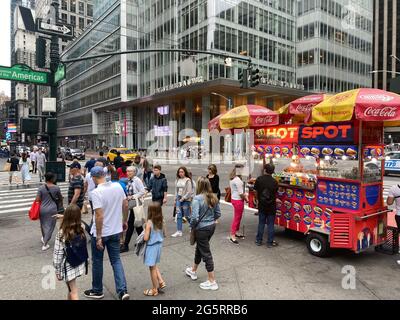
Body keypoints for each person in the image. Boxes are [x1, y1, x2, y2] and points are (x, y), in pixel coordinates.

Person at [84, 167, 130, 300]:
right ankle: (122, 290)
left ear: (93, 177)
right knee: (116, 260)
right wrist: (124, 220)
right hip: (116, 230)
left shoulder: (96, 192)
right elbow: (126, 204)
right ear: (105, 174)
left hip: (102, 233)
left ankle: (97, 290)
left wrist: (98, 236)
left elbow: (99, 215)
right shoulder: (117, 187)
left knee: (97, 261)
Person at [185, 177, 221, 291]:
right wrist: (210, 220)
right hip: (211, 227)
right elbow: (218, 213)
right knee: (200, 248)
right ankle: (193, 270)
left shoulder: (197, 199)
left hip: (201, 229)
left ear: (199, 186)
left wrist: (191, 225)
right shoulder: (213, 197)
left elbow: (195, 217)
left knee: (206, 253)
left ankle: (212, 280)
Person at [53, 205, 88, 300]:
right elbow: (75, 219)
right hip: (79, 261)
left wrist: (56, 269)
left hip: (68, 265)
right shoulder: (81, 227)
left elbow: (58, 254)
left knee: (73, 291)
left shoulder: (62, 233)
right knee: (70, 288)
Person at [120, 166, 146, 253]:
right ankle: (143, 241)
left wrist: (132, 196)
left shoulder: (137, 180)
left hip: (136, 204)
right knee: (138, 225)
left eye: (130, 172)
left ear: (134, 172)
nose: (128, 173)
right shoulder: (129, 180)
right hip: (132, 204)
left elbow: (142, 191)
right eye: (127, 171)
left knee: (131, 224)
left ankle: (126, 245)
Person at [143, 202, 166, 296]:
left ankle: (154, 289)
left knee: (151, 268)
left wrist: (145, 229)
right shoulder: (162, 221)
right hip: (159, 246)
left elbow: (145, 238)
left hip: (151, 247)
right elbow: (165, 234)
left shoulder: (149, 222)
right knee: (154, 265)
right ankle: (161, 281)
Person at [35, 172, 63, 251]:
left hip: (42, 209)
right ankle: (45, 243)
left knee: (43, 224)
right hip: (52, 209)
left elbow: (37, 199)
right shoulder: (56, 188)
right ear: (52, 179)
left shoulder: (41, 188)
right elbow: (60, 198)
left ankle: (44, 238)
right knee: (51, 226)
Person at [254, 164, 279, 248]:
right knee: (270, 224)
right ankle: (270, 242)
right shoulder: (275, 182)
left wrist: (257, 199)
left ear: (265, 170)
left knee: (261, 223)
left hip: (262, 205)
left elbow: (255, 191)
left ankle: (259, 240)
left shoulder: (259, 179)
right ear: (272, 172)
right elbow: (275, 193)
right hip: (271, 206)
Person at [229, 164, 248, 245]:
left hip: (234, 198)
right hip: (238, 200)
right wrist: (246, 198)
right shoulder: (238, 180)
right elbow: (241, 193)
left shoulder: (233, 178)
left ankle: (235, 232)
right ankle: (232, 235)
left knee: (238, 217)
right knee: (237, 218)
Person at [171, 167, 193, 238]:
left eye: (182, 172)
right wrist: (175, 199)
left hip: (185, 200)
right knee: (179, 215)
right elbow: (176, 190)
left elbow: (189, 192)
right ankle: (179, 231)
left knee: (187, 215)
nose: (180, 173)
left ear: (185, 172)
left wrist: (183, 198)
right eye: (179, 172)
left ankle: (192, 226)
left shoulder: (188, 180)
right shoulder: (177, 180)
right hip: (178, 199)